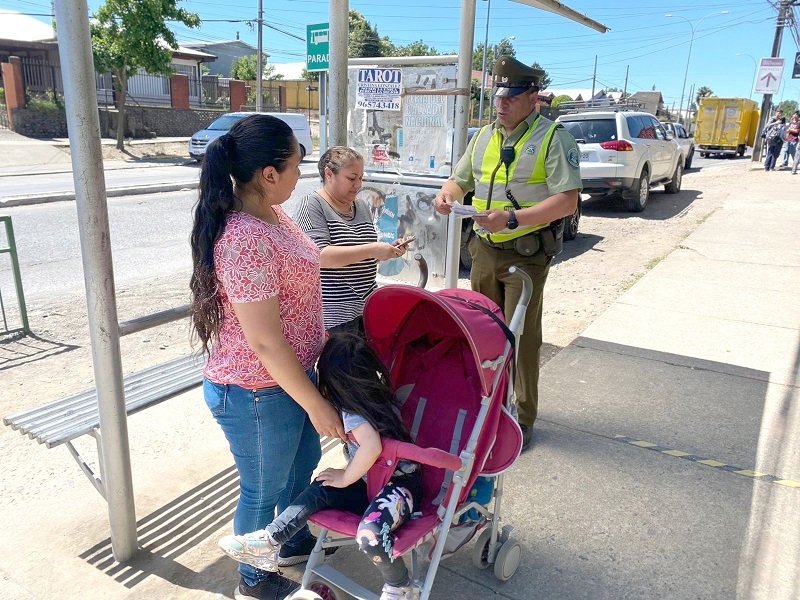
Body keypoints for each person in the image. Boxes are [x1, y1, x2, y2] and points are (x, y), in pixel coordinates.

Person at [189, 114, 347, 600]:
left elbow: (308, 265)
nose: (302, 176)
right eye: (297, 166)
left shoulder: (273, 214)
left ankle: (291, 538)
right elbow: (264, 342)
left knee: (299, 471)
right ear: (269, 174)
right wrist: (317, 404)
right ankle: (254, 581)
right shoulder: (242, 239)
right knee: (262, 490)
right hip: (255, 390)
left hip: (290, 380)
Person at [434, 56, 582, 451]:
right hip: (484, 249)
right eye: (498, 95)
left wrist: (513, 219)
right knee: (481, 334)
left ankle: (523, 415)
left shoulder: (554, 138)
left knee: (521, 338)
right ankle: (485, 409)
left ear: (533, 97)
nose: (502, 103)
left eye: (512, 96)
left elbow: (567, 202)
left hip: (526, 253)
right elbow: (459, 179)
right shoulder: (484, 135)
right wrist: (448, 195)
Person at [218, 333, 424, 600]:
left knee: (370, 534)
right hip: (372, 486)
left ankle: (400, 585)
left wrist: (346, 476)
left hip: (400, 492)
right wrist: (345, 477)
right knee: (322, 486)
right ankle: (269, 541)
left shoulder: (353, 412)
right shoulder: (374, 399)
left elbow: (372, 446)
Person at [295, 146, 407, 336]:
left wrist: (386, 251)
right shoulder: (311, 204)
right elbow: (321, 256)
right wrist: (372, 249)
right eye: (352, 178)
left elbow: (361, 256)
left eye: (361, 178)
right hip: (334, 318)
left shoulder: (361, 206)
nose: (358, 185)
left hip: (367, 310)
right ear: (329, 174)